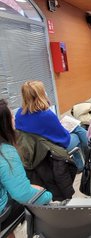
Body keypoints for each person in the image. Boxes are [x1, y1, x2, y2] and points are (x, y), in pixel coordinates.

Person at [0, 99, 52, 237]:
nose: (14, 117)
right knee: (40, 194)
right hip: (2, 213)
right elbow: (22, 195)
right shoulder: (5, 153)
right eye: (11, 116)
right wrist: (47, 196)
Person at [15, 81, 88, 171]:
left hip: (34, 149)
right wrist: (65, 129)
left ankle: (88, 154)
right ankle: (82, 164)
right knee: (78, 132)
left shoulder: (19, 113)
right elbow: (64, 139)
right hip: (50, 150)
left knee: (78, 130)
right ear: (41, 94)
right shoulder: (46, 114)